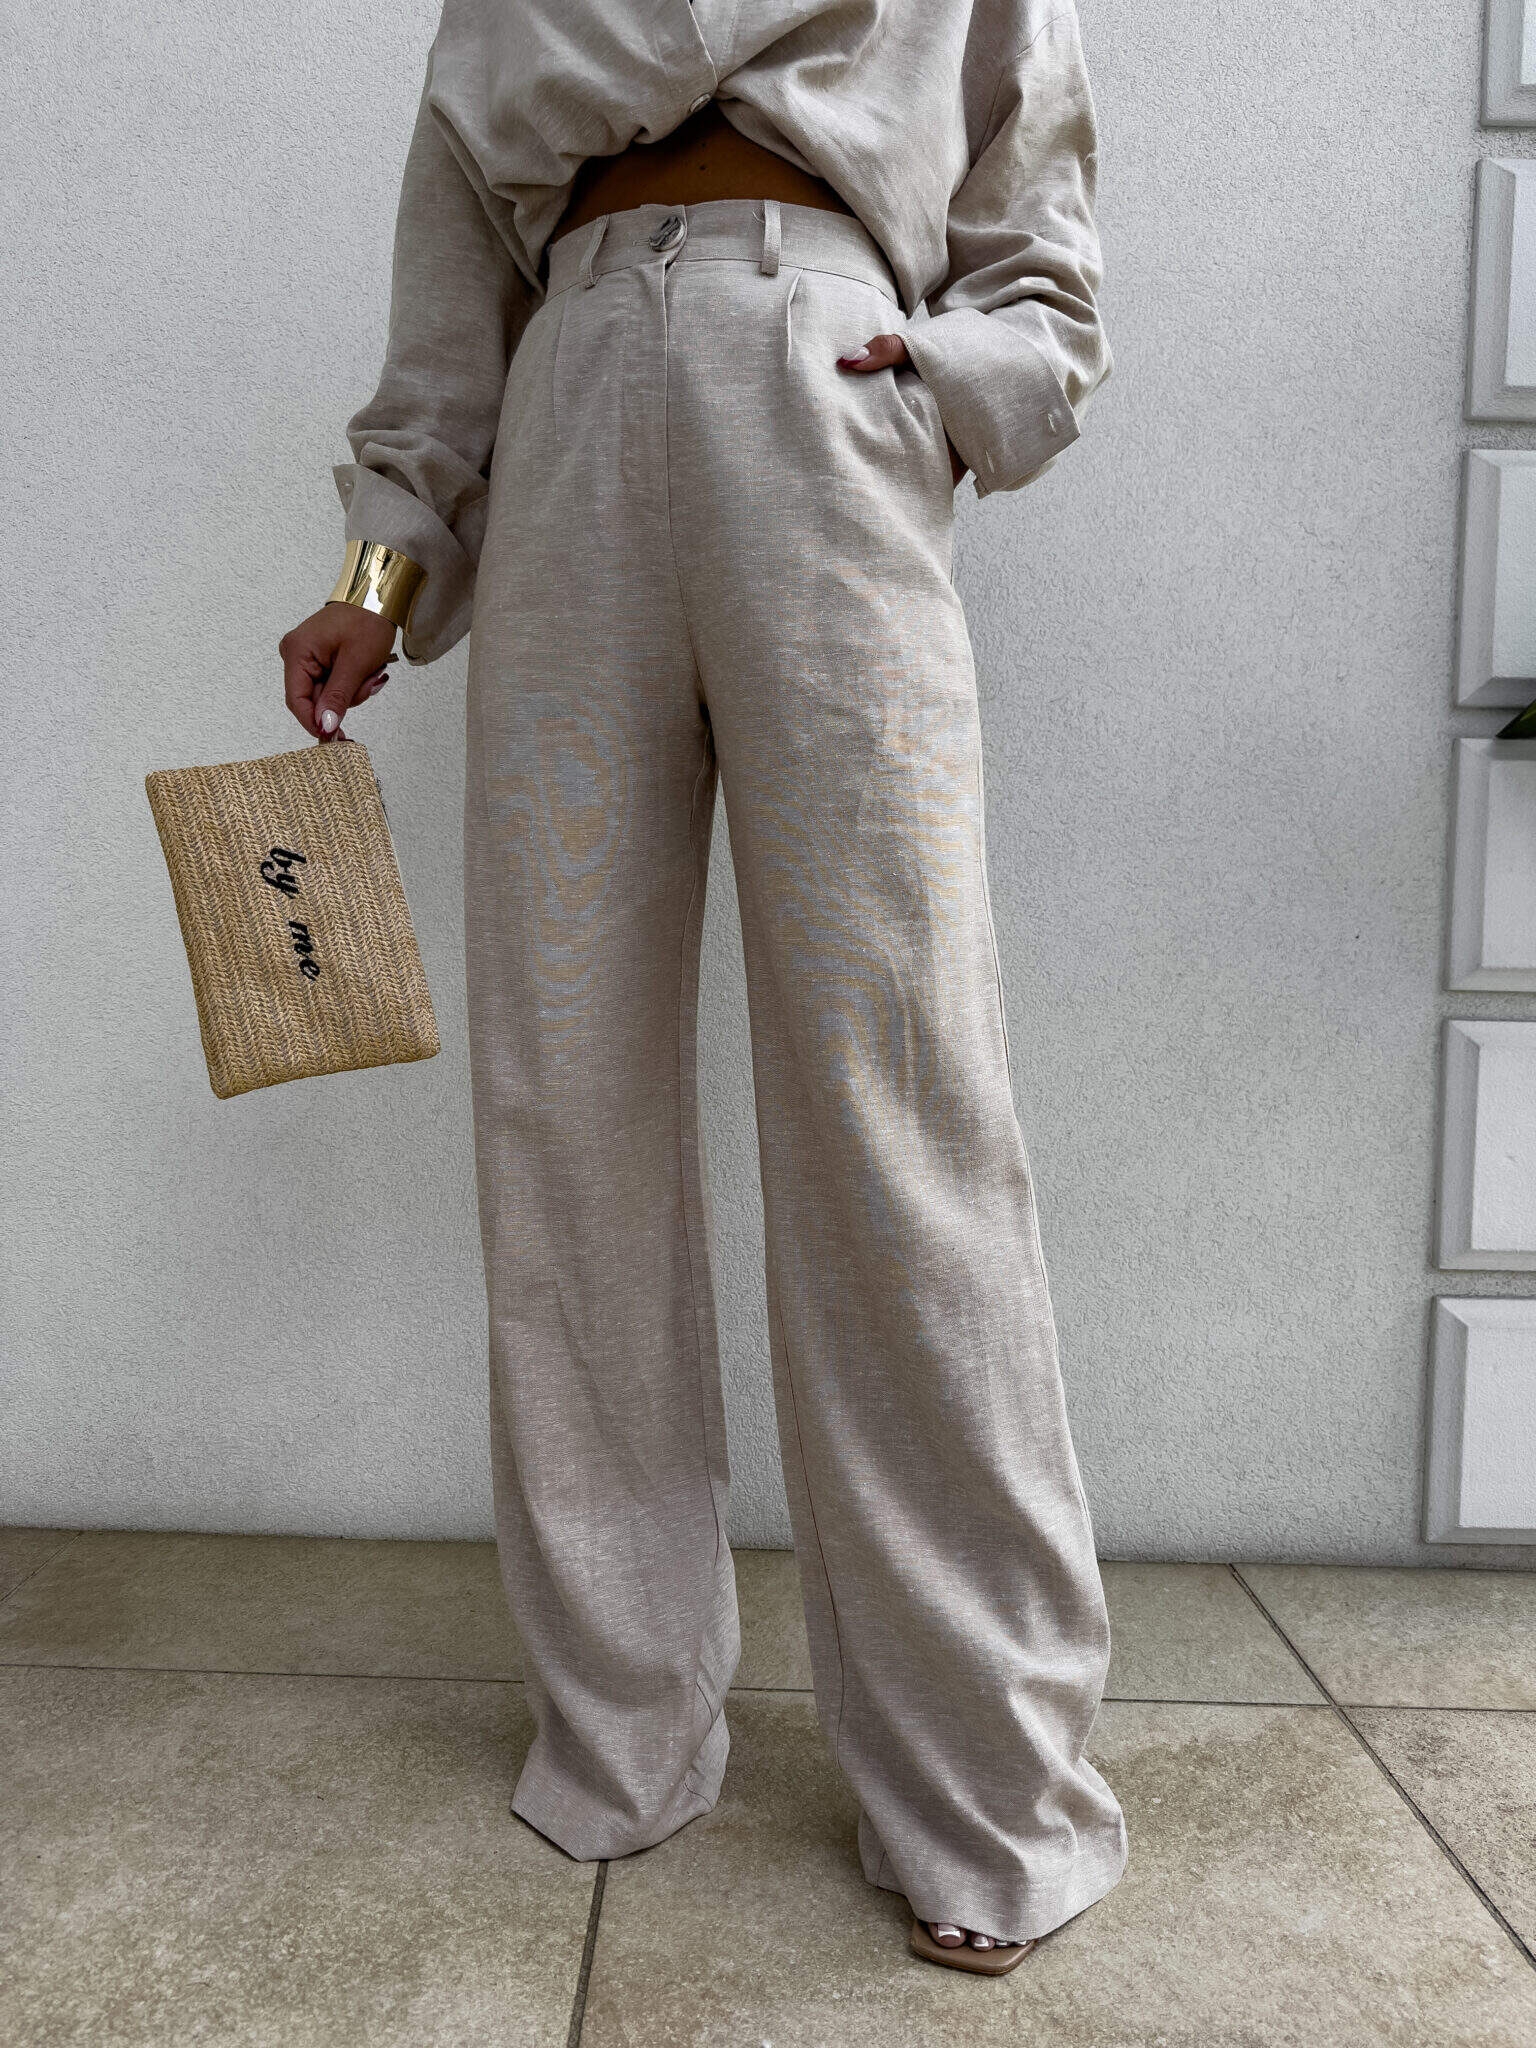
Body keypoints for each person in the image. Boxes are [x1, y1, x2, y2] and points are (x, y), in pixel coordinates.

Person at [278, 0, 1126, 1978]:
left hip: (823, 367)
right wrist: (385, 562)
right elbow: (456, 239)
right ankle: (624, 1719)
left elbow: (1036, 215)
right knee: (559, 1098)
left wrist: (946, 373)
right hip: (570, 388)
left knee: (899, 1094)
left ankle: (989, 1785)